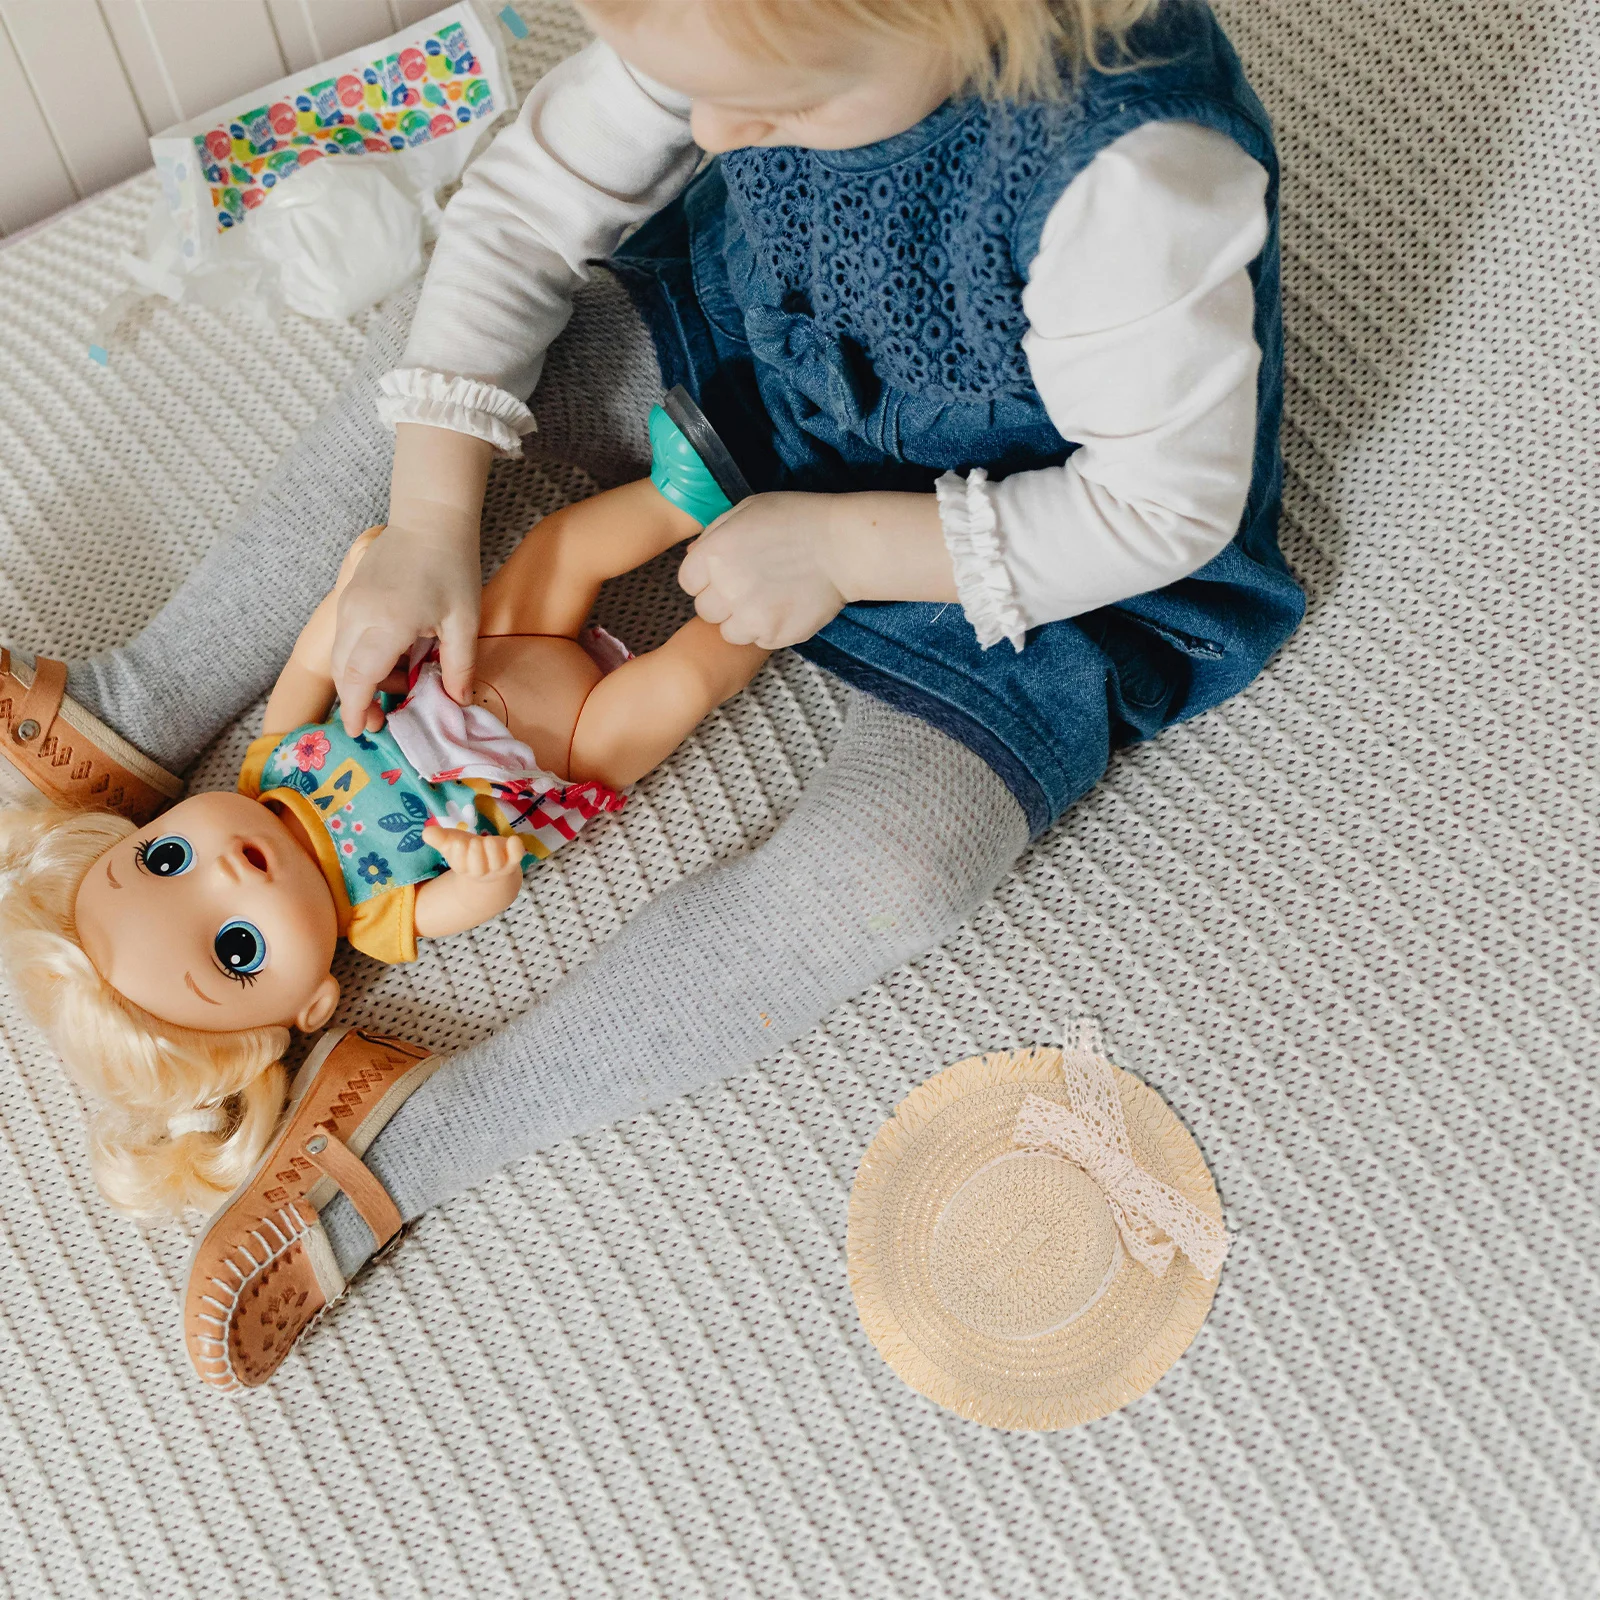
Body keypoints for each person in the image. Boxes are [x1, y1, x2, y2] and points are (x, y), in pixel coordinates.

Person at [0, 0, 1303, 1387]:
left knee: (901, 869)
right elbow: (517, 218)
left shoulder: (1134, 178)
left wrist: (849, 546)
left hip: (1013, 540)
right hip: (749, 359)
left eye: (761, 112)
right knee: (435, 408)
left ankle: (415, 1133)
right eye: (683, 92)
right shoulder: (729, 45)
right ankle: (133, 714)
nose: (713, 137)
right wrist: (437, 518)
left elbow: (1166, 511)